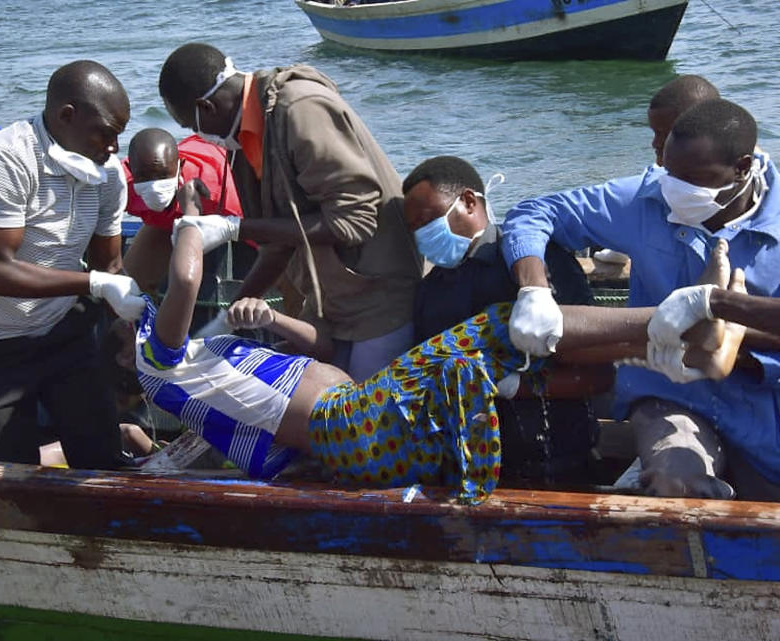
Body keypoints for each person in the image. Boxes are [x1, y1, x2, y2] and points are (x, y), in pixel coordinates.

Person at [108, 177, 743, 504]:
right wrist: (196, 218)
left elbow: (320, 351)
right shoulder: (157, 362)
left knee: (499, 349)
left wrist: (269, 322)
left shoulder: (200, 362)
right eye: (145, 306)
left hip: (365, 423)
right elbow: (188, 275)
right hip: (353, 426)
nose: (154, 301)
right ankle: (685, 317)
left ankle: (679, 348)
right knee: (496, 328)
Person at [501, 98, 780, 500]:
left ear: (742, 167)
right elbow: (534, 212)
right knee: (676, 485)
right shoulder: (647, 197)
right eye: (669, 173)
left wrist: (729, 331)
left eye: (691, 179)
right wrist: (533, 289)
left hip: (764, 398)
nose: (673, 190)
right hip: (674, 396)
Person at [157, 43, 422, 381]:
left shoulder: (301, 109)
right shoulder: (242, 142)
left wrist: (235, 228)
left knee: (364, 418)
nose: (197, 135)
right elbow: (278, 245)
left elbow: (354, 221)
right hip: (332, 304)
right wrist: (222, 325)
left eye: (190, 125)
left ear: (206, 106)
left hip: (380, 298)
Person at [0, 60, 145, 469]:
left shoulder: (108, 177)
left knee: (102, 462)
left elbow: (109, 264)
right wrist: (96, 285)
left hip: (62, 331)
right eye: (105, 133)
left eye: (119, 136)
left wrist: (128, 332)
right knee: (6, 480)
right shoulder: (4, 159)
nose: (113, 148)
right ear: (66, 116)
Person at [403, 156, 603, 485]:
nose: (424, 235)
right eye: (415, 230)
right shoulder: (429, 291)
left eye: (428, 220)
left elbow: (598, 378)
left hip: (557, 464)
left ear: (468, 201)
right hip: (463, 469)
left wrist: (507, 388)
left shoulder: (535, 265)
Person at [594, 74, 720, 265]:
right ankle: (624, 239)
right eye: (655, 133)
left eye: (663, 134)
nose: (654, 142)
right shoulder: (649, 187)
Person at [121, 128, 244, 294]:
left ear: (181, 165)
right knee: (127, 287)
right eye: (143, 177)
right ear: (131, 169)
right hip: (166, 217)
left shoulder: (218, 193)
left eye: (163, 176)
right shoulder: (119, 185)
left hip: (222, 183)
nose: (154, 186)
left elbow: (265, 237)